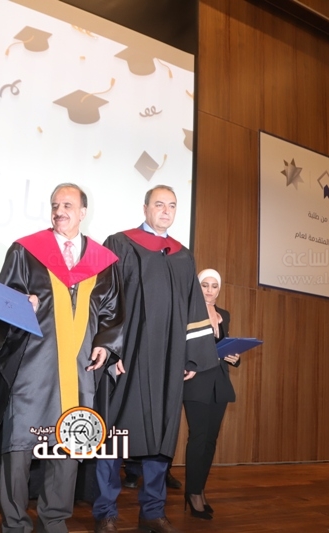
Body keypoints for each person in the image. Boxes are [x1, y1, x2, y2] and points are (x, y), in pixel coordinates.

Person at [0, 183, 124, 533]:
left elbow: (112, 312)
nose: (60, 211)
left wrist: (106, 344)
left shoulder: (102, 261)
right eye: (55, 205)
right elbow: (4, 298)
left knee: (70, 441)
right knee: (19, 444)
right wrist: (21, 303)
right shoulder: (26, 250)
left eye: (67, 205)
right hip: (33, 363)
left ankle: (54, 519)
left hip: (79, 368)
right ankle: (15, 523)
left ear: (83, 212)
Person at [93, 185, 219, 533]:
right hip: (128, 358)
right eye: (159, 204)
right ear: (145, 208)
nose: (166, 211)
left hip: (168, 360)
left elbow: (194, 309)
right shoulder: (120, 243)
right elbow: (105, 298)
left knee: (162, 436)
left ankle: (152, 511)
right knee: (115, 435)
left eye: (172, 206)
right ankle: (105, 512)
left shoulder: (183, 257)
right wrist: (112, 349)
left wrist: (191, 359)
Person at [183, 268, 241, 520]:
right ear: (198, 287)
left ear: (219, 289)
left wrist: (234, 357)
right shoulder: (189, 311)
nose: (209, 290)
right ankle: (193, 493)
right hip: (196, 382)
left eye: (214, 286)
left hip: (220, 383)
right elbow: (182, 345)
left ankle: (199, 489)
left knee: (210, 441)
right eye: (204, 285)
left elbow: (222, 346)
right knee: (198, 438)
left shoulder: (224, 315)